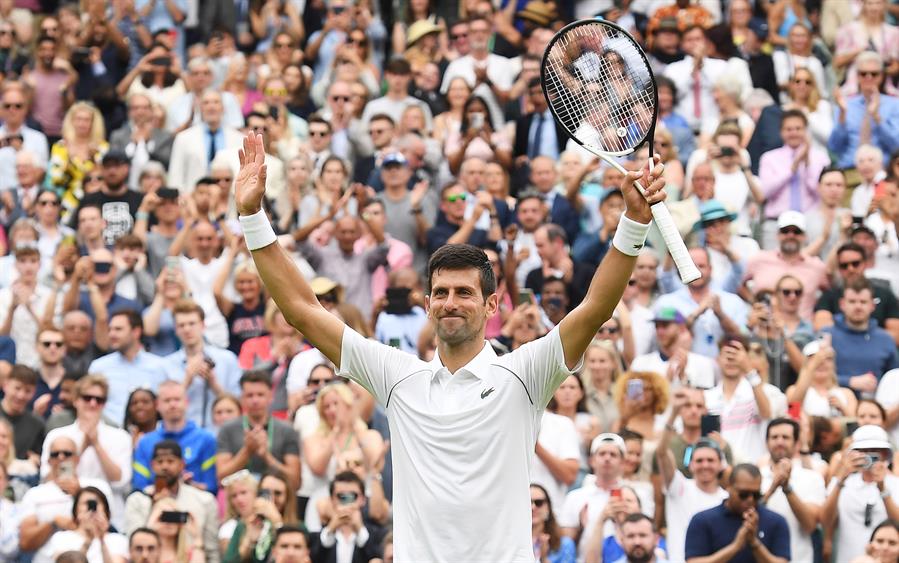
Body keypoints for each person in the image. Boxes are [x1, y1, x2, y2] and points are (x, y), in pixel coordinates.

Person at [235, 128, 667, 560]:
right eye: (440, 293)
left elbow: (595, 308)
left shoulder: (524, 374)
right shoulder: (399, 377)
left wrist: (633, 223)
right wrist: (253, 216)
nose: (450, 302)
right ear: (427, 305)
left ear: (492, 305)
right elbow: (301, 310)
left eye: (464, 293)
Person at [124, 439, 220, 563]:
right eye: (160, 462)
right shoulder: (137, 501)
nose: (165, 466)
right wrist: (154, 509)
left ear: (182, 465)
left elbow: (212, 552)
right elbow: (134, 548)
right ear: (152, 466)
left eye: (170, 461)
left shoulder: (204, 501)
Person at [822, 425, 899, 562]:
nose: (868, 455)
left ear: (885, 454)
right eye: (863, 451)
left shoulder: (895, 484)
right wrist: (841, 479)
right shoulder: (840, 483)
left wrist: (882, 489)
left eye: (875, 451)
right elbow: (825, 520)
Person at [684, 463, 790, 563]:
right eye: (743, 494)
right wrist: (736, 546)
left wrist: (754, 542)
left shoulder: (776, 521)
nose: (750, 499)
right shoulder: (703, 520)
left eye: (756, 494)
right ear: (729, 487)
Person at [216, 370, 301, 492]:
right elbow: (221, 477)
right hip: (238, 498)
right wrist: (247, 451)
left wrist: (266, 456)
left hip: (276, 499)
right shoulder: (227, 429)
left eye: (260, 395)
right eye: (249, 395)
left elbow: (295, 482)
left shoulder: (287, 430)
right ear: (242, 398)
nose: (255, 400)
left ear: (270, 397)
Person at [163, 299, 242, 428]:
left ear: (203, 325)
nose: (187, 329)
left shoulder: (227, 359)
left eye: (192, 323)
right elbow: (163, 406)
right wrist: (187, 379)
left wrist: (214, 383)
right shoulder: (166, 364)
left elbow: (238, 404)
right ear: (175, 330)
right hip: (183, 434)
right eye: (181, 325)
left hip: (220, 433)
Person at [656, 424, 728, 563]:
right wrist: (673, 413)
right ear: (691, 465)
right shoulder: (679, 487)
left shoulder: (727, 499)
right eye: (699, 460)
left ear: (721, 465)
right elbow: (661, 453)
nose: (705, 465)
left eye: (710, 460)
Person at [131, 381, 218, 494]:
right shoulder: (145, 443)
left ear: (186, 402)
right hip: (155, 503)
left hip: (196, 504)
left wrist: (188, 486)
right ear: (157, 405)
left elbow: (211, 486)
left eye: (177, 399)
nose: (172, 404)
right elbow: (139, 487)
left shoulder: (206, 439)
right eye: (167, 400)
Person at [759, 417, 826, 562]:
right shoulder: (756, 476)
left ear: (797, 444)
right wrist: (772, 487)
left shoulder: (812, 478)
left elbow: (810, 525)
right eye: (774, 437)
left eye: (785, 437)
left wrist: (787, 487)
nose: (779, 442)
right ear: (766, 443)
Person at [86, 310, 168, 424]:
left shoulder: (160, 365)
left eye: (118, 329)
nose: (111, 334)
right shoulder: (99, 367)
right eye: (110, 329)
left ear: (136, 332)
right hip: (109, 434)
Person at [823, 278, 899, 392]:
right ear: (842, 304)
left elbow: (895, 379)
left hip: (875, 405)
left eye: (863, 302)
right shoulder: (827, 335)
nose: (858, 307)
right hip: (833, 402)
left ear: (872, 305)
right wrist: (849, 381)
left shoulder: (885, 339)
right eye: (852, 301)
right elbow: (813, 376)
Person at [530, 483, 577, 563]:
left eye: (539, 503)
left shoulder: (565, 545)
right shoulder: (513, 543)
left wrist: (544, 559)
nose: (533, 507)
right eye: (529, 502)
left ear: (548, 508)